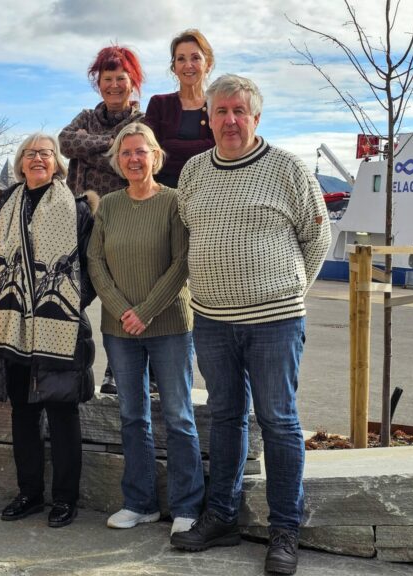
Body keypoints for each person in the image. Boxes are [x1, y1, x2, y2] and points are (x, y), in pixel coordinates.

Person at [170, 75, 331, 576]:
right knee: (225, 417)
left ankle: (285, 529)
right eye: (221, 111)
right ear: (209, 118)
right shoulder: (195, 171)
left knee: (279, 422)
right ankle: (222, 516)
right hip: (213, 321)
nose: (230, 120)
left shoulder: (287, 168)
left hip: (275, 322)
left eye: (240, 111)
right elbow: (190, 235)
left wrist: (287, 295)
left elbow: (318, 238)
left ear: (256, 117)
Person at [87, 122, 204, 538]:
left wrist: (147, 311)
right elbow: (95, 263)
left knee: (178, 416)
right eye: (126, 153)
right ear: (117, 161)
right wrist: (122, 311)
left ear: (156, 156)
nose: (133, 159)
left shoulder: (175, 202)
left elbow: (182, 262)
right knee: (132, 415)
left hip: (170, 325)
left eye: (141, 151)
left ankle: (188, 506)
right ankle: (139, 503)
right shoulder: (111, 206)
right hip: (119, 330)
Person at [0, 133, 96, 529]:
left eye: (45, 153)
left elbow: (88, 267)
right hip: (11, 326)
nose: (38, 158)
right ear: (20, 162)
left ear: (57, 162)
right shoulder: (3, 207)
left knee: (62, 414)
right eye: (30, 153)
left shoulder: (76, 208)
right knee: (23, 414)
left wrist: (65, 304)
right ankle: (29, 493)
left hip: (57, 325)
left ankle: (64, 499)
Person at [60, 44, 145, 395]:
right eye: (107, 79)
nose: (114, 86)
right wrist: (110, 143)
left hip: (120, 220)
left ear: (132, 82)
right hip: (79, 219)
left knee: (119, 296)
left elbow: (126, 161)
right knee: (71, 294)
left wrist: (91, 148)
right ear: (99, 83)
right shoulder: (84, 116)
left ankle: (117, 371)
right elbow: (65, 142)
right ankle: (66, 361)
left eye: (120, 79)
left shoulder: (141, 123)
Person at [145, 29, 215, 189]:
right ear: (174, 67)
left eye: (196, 58)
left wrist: (168, 145)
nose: (188, 65)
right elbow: (151, 150)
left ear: (208, 64)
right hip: (163, 194)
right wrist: (205, 145)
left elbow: (221, 149)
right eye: (181, 59)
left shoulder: (217, 106)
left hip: (208, 191)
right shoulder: (158, 104)